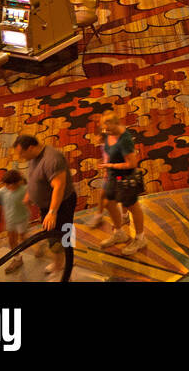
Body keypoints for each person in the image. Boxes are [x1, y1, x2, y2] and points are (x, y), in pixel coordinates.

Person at [13, 134, 78, 281]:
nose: (20, 157)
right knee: (53, 237)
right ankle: (58, 265)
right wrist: (30, 194)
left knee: (64, 237)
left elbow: (59, 186)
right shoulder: (33, 157)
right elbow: (34, 177)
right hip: (48, 206)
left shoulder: (52, 160)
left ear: (30, 148)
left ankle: (68, 268)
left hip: (62, 205)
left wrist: (52, 212)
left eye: (21, 153)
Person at [91, 109, 147, 255]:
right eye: (104, 128)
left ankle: (140, 238)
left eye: (108, 128)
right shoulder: (109, 133)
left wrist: (111, 165)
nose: (105, 131)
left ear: (116, 124)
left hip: (126, 178)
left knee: (132, 206)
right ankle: (119, 232)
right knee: (109, 202)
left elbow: (132, 164)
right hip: (112, 177)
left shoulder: (125, 140)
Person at [0, 169, 30, 274]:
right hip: (10, 220)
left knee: (23, 237)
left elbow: (33, 194)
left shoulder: (24, 189)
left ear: (18, 182)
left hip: (22, 219)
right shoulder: (4, 190)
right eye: (6, 185)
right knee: (11, 240)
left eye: (10, 185)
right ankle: (17, 259)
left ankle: (36, 246)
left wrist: (28, 200)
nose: (8, 187)